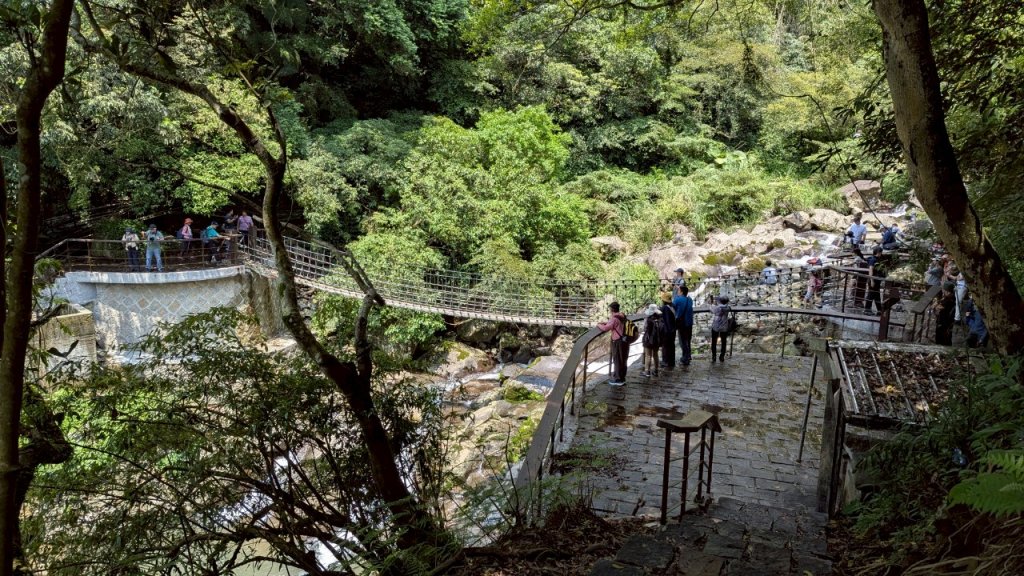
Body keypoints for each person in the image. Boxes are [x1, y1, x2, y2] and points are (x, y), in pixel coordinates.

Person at [598, 302, 629, 386]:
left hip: (618, 341)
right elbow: (613, 324)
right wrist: (607, 322)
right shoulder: (622, 316)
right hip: (625, 340)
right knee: (623, 359)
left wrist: (599, 325)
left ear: (611, 309)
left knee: (617, 359)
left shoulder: (614, 318)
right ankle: (622, 377)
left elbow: (605, 328)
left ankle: (618, 379)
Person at [673, 285, 695, 366]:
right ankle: (688, 356)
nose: (677, 291)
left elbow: (673, 308)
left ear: (681, 291)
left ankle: (685, 358)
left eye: (678, 290)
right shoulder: (690, 299)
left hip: (682, 323)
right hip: (689, 322)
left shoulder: (677, 299)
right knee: (688, 340)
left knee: (682, 341)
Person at [641, 304, 662, 378]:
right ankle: (656, 370)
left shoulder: (648, 319)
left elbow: (644, 328)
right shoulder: (659, 319)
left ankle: (647, 371)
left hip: (648, 339)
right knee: (655, 354)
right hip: (657, 339)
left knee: (648, 355)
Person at [710, 295, 731, 363]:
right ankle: (722, 356)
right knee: (724, 342)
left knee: (714, 342)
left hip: (716, 326)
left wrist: (712, 303)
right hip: (724, 326)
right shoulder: (728, 307)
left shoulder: (717, 308)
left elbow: (711, 309)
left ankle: (714, 356)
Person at [659, 291, 676, 369]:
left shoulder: (664, 308)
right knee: (671, 346)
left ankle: (665, 361)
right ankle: (671, 361)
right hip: (672, 330)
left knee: (665, 346)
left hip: (666, 331)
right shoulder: (673, 306)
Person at [865, 247, 885, 314]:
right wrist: (872, 280)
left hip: (877, 280)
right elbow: (871, 270)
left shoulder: (878, 259)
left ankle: (879, 310)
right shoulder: (873, 260)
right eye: (880, 252)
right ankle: (867, 310)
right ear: (878, 252)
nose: (881, 254)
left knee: (876, 296)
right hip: (873, 280)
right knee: (871, 295)